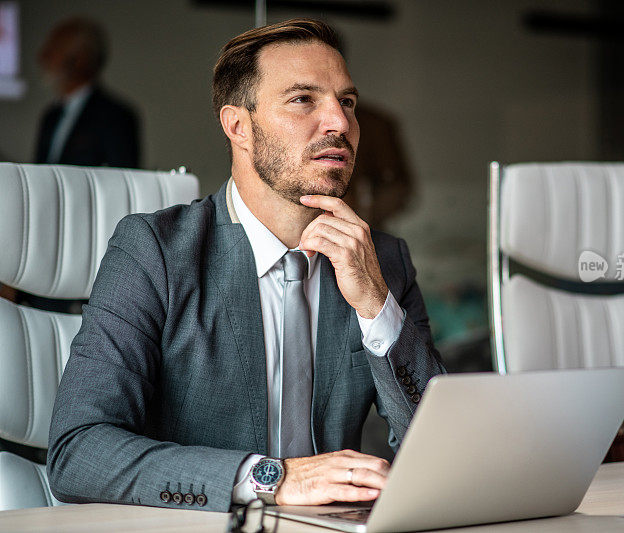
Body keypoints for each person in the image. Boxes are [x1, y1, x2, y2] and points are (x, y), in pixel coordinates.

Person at [47, 18, 445, 512]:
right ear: (238, 126)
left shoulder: (383, 262)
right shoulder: (156, 252)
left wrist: (377, 307)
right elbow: (78, 453)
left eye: (347, 102)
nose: (339, 123)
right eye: (303, 99)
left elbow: (440, 454)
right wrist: (270, 479)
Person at [34, 17, 139, 168]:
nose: (43, 57)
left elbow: (121, 178)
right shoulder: (51, 116)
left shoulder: (115, 117)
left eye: (54, 50)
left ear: (80, 60)